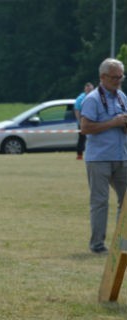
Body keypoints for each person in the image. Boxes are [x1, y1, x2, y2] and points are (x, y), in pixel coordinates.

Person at [80, 58, 127, 254]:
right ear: (103, 77)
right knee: (100, 202)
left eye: (121, 77)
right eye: (114, 77)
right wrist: (112, 123)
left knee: (125, 203)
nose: (118, 81)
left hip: (121, 156)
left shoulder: (122, 97)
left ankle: (121, 243)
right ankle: (97, 245)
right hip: (99, 158)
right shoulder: (92, 99)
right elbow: (85, 128)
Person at [74, 82, 94, 160]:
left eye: (91, 89)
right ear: (85, 89)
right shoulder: (80, 98)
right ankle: (79, 155)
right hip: (83, 121)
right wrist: (80, 122)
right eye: (88, 89)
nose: (89, 91)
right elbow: (77, 111)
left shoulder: (96, 97)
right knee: (82, 139)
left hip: (93, 121)